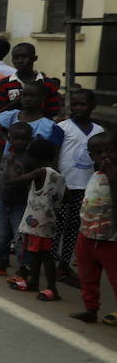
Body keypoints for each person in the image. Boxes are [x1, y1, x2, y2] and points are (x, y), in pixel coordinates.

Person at [55, 89, 104, 285]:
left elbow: (100, 160)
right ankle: (51, 263)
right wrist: (58, 182)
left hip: (86, 188)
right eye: (74, 104)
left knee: (74, 228)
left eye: (82, 104)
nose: (78, 108)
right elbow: (54, 155)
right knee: (57, 226)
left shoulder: (99, 131)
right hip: (64, 186)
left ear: (93, 106)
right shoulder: (62, 127)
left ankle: (64, 265)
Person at [8, 138, 64, 299]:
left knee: (45, 256)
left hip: (37, 222)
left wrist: (11, 164)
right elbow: (66, 197)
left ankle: (52, 288)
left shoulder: (40, 172)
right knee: (37, 253)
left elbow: (14, 181)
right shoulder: (58, 175)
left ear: (34, 157)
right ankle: (34, 281)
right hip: (47, 220)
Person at [71, 134, 117, 324]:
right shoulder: (96, 174)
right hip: (87, 235)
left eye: (110, 151)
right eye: (99, 153)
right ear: (91, 156)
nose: (105, 156)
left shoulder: (114, 174)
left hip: (111, 238)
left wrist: (112, 176)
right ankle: (90, 309)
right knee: (87, 276)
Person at [0, 121, 34, 279]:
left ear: (30, 140)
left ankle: (24, 269)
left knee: (20, 239)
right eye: (15, 138)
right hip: (3, 200)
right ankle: (1, 264)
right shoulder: (6, 155)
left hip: (20, 203)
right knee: (2, 235)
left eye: (23, 139)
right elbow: (0, 175)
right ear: (10, 138)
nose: (19, 142)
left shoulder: (29, 160)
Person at [0, 42, 63, 118]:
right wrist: (13, 105)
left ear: (34, 58)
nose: (20, 61)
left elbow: (54, 111)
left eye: (24, 57)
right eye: (16, 58)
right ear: (12, 60)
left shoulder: (48, 83)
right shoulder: (4, 84)